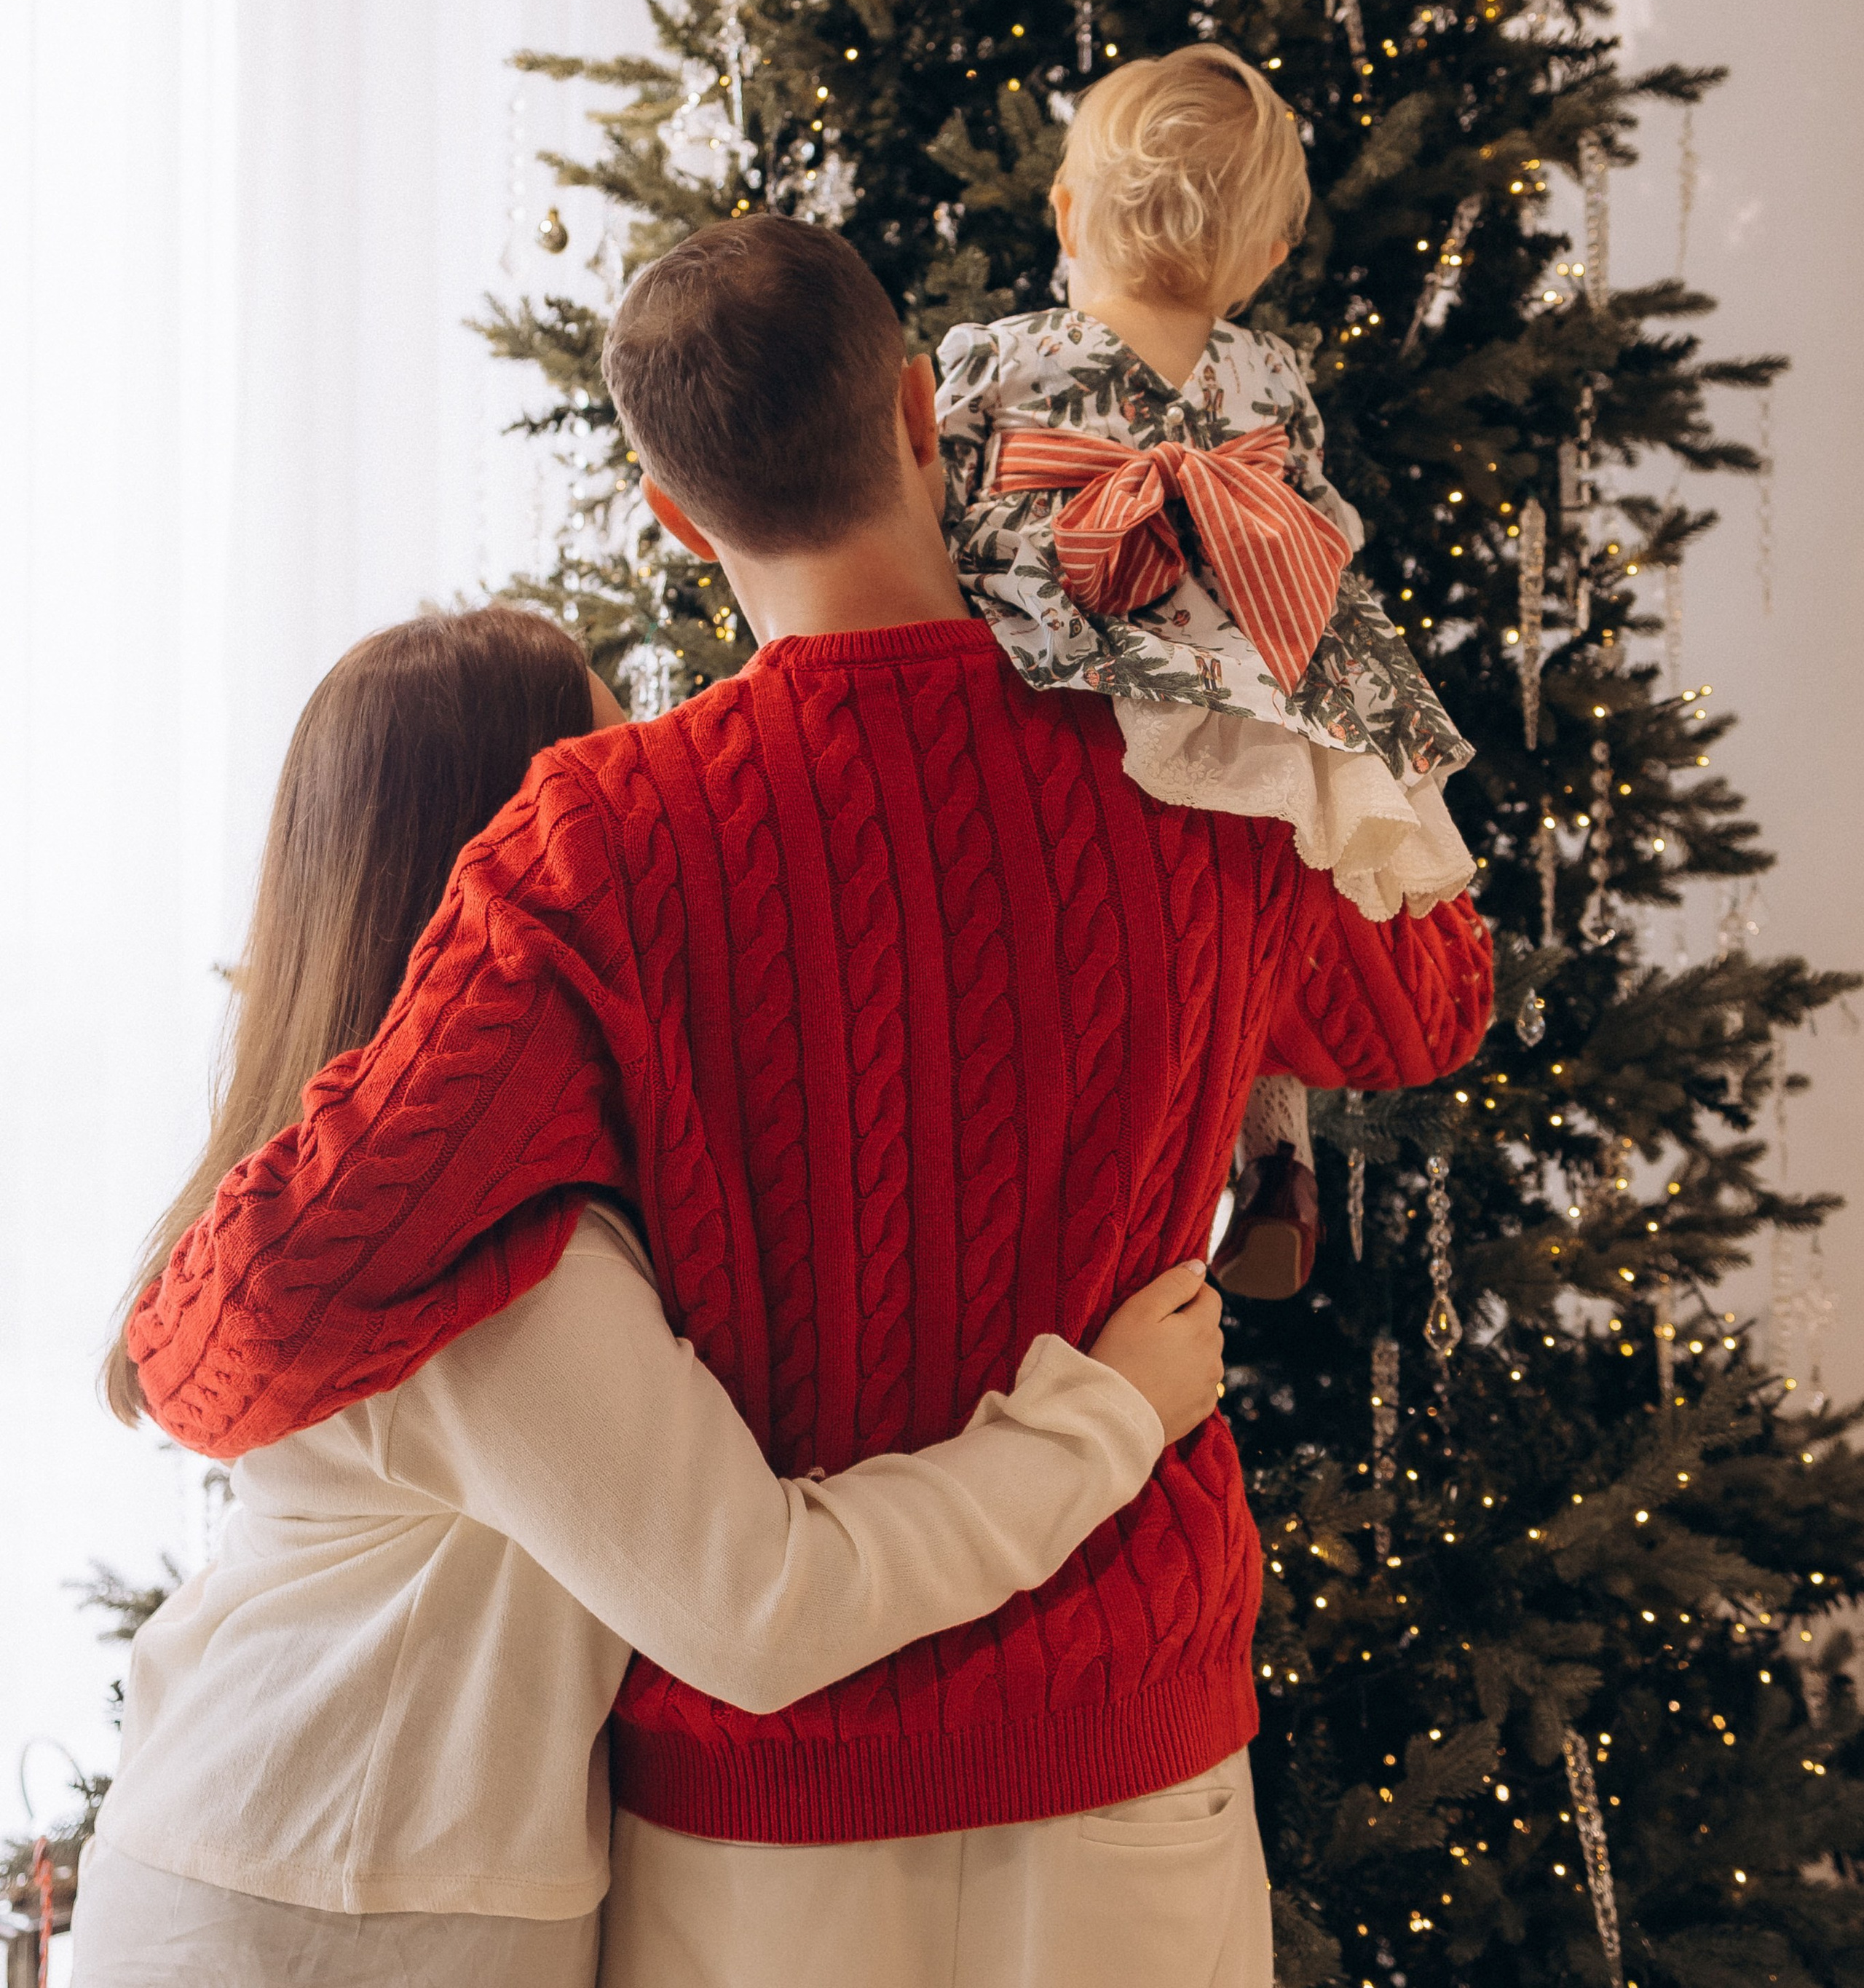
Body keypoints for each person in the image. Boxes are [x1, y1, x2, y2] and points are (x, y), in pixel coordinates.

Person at [127, 218, 1494, 1988]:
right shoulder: (1185, 774)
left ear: (673, 519)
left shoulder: (592, 845)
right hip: (1124, 1743)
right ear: (925, 416)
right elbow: (1425, 1004)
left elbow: (239, 1328)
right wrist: (1259, 645)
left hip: (753, 1825)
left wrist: (185, 1356)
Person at [73, 607, 1225, 1988]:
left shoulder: (354, 1184)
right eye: (616, 790)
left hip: (292, 1862)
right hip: (340, 1911)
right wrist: (1103, 1417)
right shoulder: (488, 1263)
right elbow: (765, 1610)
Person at [937, 44, 1476, 1294]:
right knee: (1246, 951)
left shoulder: (1005, 359)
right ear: (1268, 258)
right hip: (1265, 713)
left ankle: (1103, 1198)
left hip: (1074, 685)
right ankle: (1267, 1163)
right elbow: (1325, 535)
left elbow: (943, 511)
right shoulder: (1270, 377)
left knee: (1096, 957)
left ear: (1066, 213)